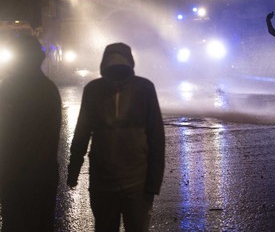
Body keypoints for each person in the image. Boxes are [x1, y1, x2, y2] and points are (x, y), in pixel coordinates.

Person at [67, 42, 165, 232]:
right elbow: (156, 139)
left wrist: (73, 171)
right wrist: (153, 182)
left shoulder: (142, 89)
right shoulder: (95, 90)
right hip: (125, 182)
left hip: (124, 183)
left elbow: (81, 134)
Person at [0, 35, 62, 231]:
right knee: (41, 224)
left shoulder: (7, 87)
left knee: (14, 223)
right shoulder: (49, 88)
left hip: (14, 175)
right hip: (43, 174)